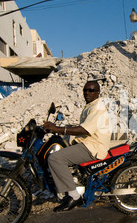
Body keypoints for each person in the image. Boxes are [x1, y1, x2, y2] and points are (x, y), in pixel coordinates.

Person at [43, 81, 111, 212]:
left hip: (93, 146)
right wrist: (56, 128)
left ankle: (74, 196)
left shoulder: (98, 108)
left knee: (55, 158)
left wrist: (58, 129)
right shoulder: (91, 106)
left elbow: (85, 129)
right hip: (88, 142)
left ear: (98, 93)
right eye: (85, 90)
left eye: (91, 90)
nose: (87, 93)